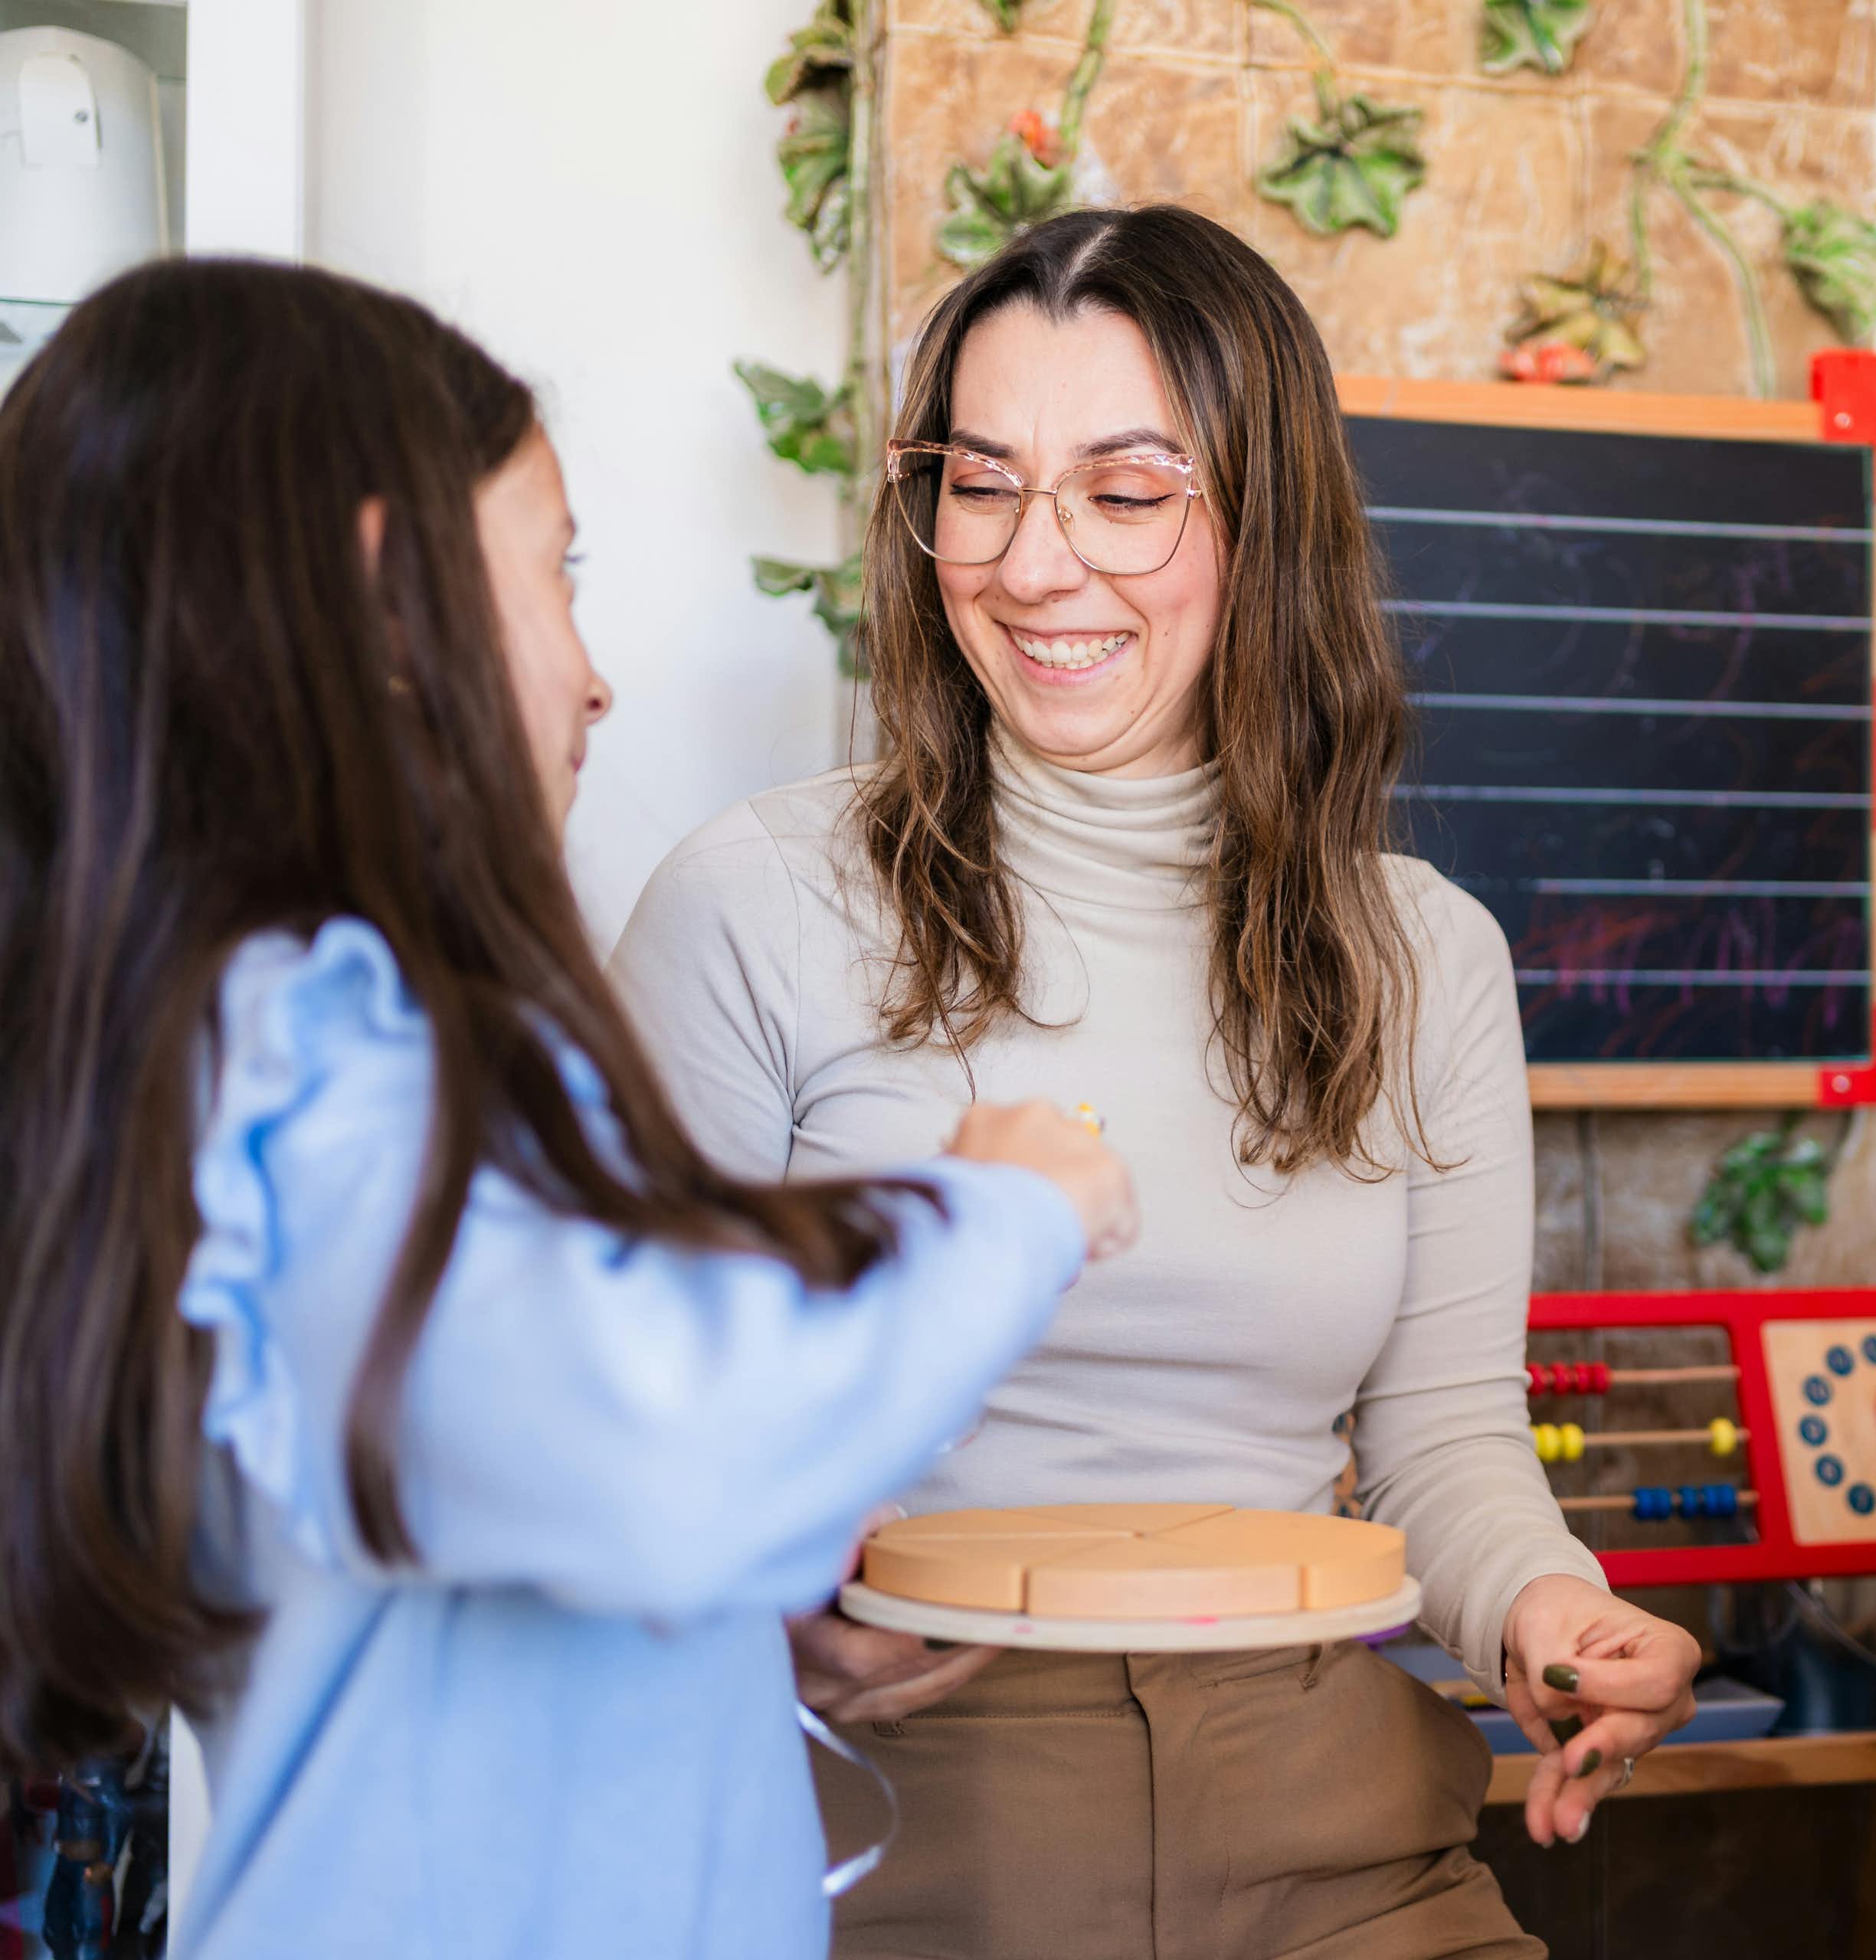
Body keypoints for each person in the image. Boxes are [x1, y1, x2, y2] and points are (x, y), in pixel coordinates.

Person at [0, 258, 1138, 1960]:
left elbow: (534, 1442)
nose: (597, 678)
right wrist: (996, 1206)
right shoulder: (308, 1052)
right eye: (560, 572)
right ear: (393, 602)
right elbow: (664, 1444)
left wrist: (765, 1584)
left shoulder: (337, 1045)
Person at [611, 205, 1702, 1958]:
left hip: (1336, 1821)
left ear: (1263, 526)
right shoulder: (748, 902)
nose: (1034, 564)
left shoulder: (1425, 954)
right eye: (979, 483)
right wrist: (773, 1583)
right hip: (891, 1824)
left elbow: (1437, 1437)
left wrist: (1555, 1615)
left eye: (1123, 492)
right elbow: (624, 1426)